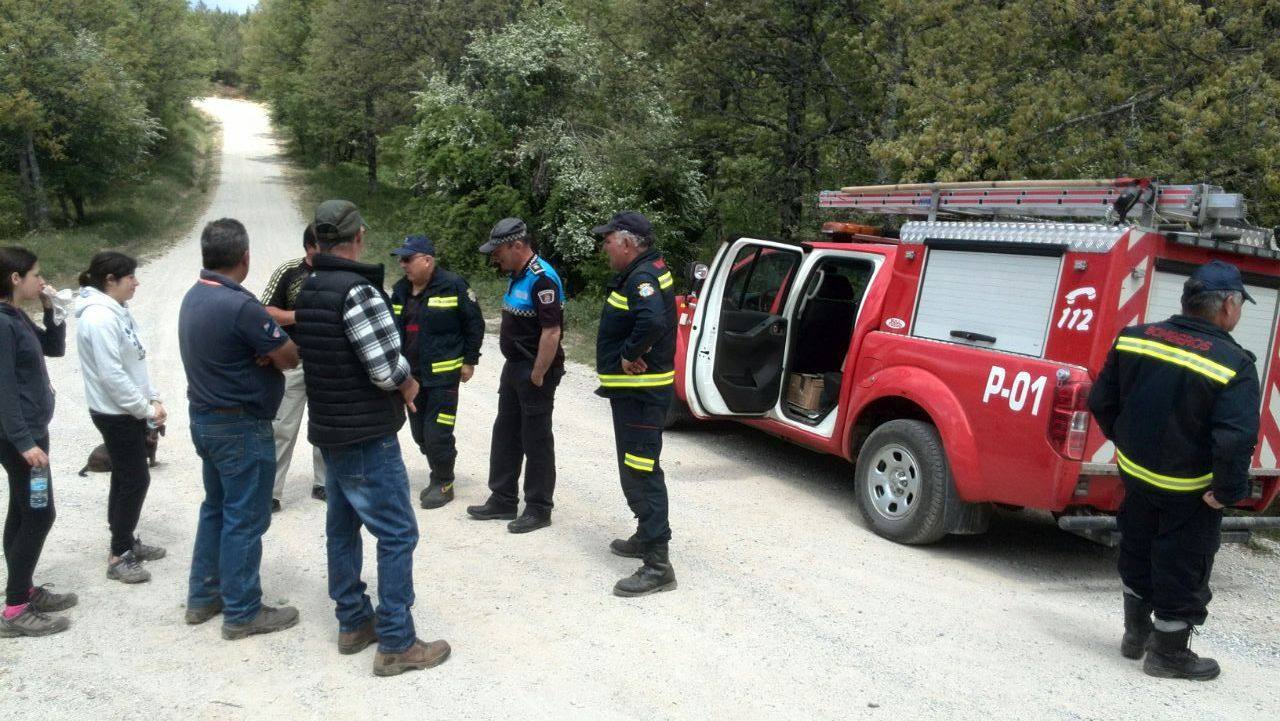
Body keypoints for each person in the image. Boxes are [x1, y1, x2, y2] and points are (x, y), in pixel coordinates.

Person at [292, 200, 449, 677]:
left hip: (331, 431)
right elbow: (383, 367)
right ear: (357, 236)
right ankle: (397, 641)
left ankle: (354, 622)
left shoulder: (310, 286)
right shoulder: (358, 291)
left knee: (342, 527)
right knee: (398, 532)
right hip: (366, 433)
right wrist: (408, 380)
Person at [1089, 259, 1261, 681]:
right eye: (1239, 306)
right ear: (1226, 306)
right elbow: (1235, 438)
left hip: (1136, 475)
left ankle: (1135, 634)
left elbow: (1100, 401)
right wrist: (1227, 491)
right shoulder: (1233, 363)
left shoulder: (1134, 338)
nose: (1238, 315)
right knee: (1182, 564)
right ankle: (1167, 655)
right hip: (1191, 490)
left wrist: (1127, 445)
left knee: (1137, 550)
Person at [178, 218, 301, 640]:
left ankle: (204, 596)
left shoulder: (194, 296)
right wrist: (271, 350)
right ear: (245, 258)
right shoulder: (241, 305)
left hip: (206, 420)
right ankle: (243, 611)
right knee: (246, 518)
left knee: (216, 508)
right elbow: (287, 356)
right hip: (240, 426)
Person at [592, 212, 678, 596]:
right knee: (635, 468)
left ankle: (658, 565)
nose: (604, 246)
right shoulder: (647, 269)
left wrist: (628, 354)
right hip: (635, 393)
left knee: (641, 471)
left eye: (607, 240)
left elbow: (653, 322)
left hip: (642, 394)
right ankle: (646, 535)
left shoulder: (641, 277)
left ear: (627, 243)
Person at [467, 218, 565, 533]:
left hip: (535, 369)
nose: (494, 257)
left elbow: (552, 332)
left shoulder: (542, 279)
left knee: (535, 438)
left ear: (517, 245)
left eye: (498, 251)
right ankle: (503, 498)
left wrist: (538, 374)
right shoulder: (518, 274)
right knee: (506, 431)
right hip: (515, 367)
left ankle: (538, 508)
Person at [75, 251, 167, 584]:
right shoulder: (99, 317)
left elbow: (135, 362)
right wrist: (144, 409)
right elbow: (111, 375)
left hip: (127, 408)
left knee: (125, 476)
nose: (137, 283)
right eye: (131, 277)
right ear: (110, 280)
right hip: (116, 412)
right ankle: (119, 555)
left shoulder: (117, 311)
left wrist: (152, 396)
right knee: (135, 479)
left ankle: (125, 540)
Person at [0, 247, 75, 638]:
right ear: (15, 278)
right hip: (21, 439)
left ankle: (23, 589)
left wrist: (51, 308)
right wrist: (25, 442)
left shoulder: (16, 316)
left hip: (28, 433)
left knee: (23, 508)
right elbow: (4, 391)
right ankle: (14, 609)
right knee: (40, 513)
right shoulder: (2, 323)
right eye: (36, 275)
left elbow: (55, 348)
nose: (40, 280)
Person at [389, 234, 484, 509]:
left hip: (443, 378)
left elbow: (474, 324)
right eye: (401, 260)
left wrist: (470, 360)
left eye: (408, 259)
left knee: (437, 432)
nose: (403, 265)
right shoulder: (400, 290)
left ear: (427, 260)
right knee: (420, 435)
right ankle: (437, 470)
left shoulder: (453, 286)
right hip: (411, 378)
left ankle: (444, 481)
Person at [262, 224, 327, 511]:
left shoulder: (339, 273)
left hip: (329, 361)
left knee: (327, 424)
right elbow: (265, 311)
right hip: (294, 361)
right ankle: (270, 492)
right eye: (323, 245)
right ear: (310, 247)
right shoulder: (289, 271)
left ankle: (325, 483)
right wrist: (302, 315)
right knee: (282, 426)